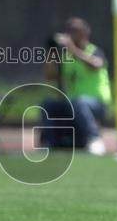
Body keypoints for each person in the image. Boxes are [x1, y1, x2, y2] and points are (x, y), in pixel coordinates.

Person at [40, 17, 110, 155]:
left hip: (96, 103)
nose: (70, 34)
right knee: (48, 104)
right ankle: (48, 143)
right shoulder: (66, 56)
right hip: (72, 102)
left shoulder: (94, 50)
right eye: (68, 30)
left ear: (85, 33)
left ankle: (94, 139)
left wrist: (73, 50)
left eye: (74, 30)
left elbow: (96, 65)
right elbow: (49, 76)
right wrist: (52, 52)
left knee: (79, 102)